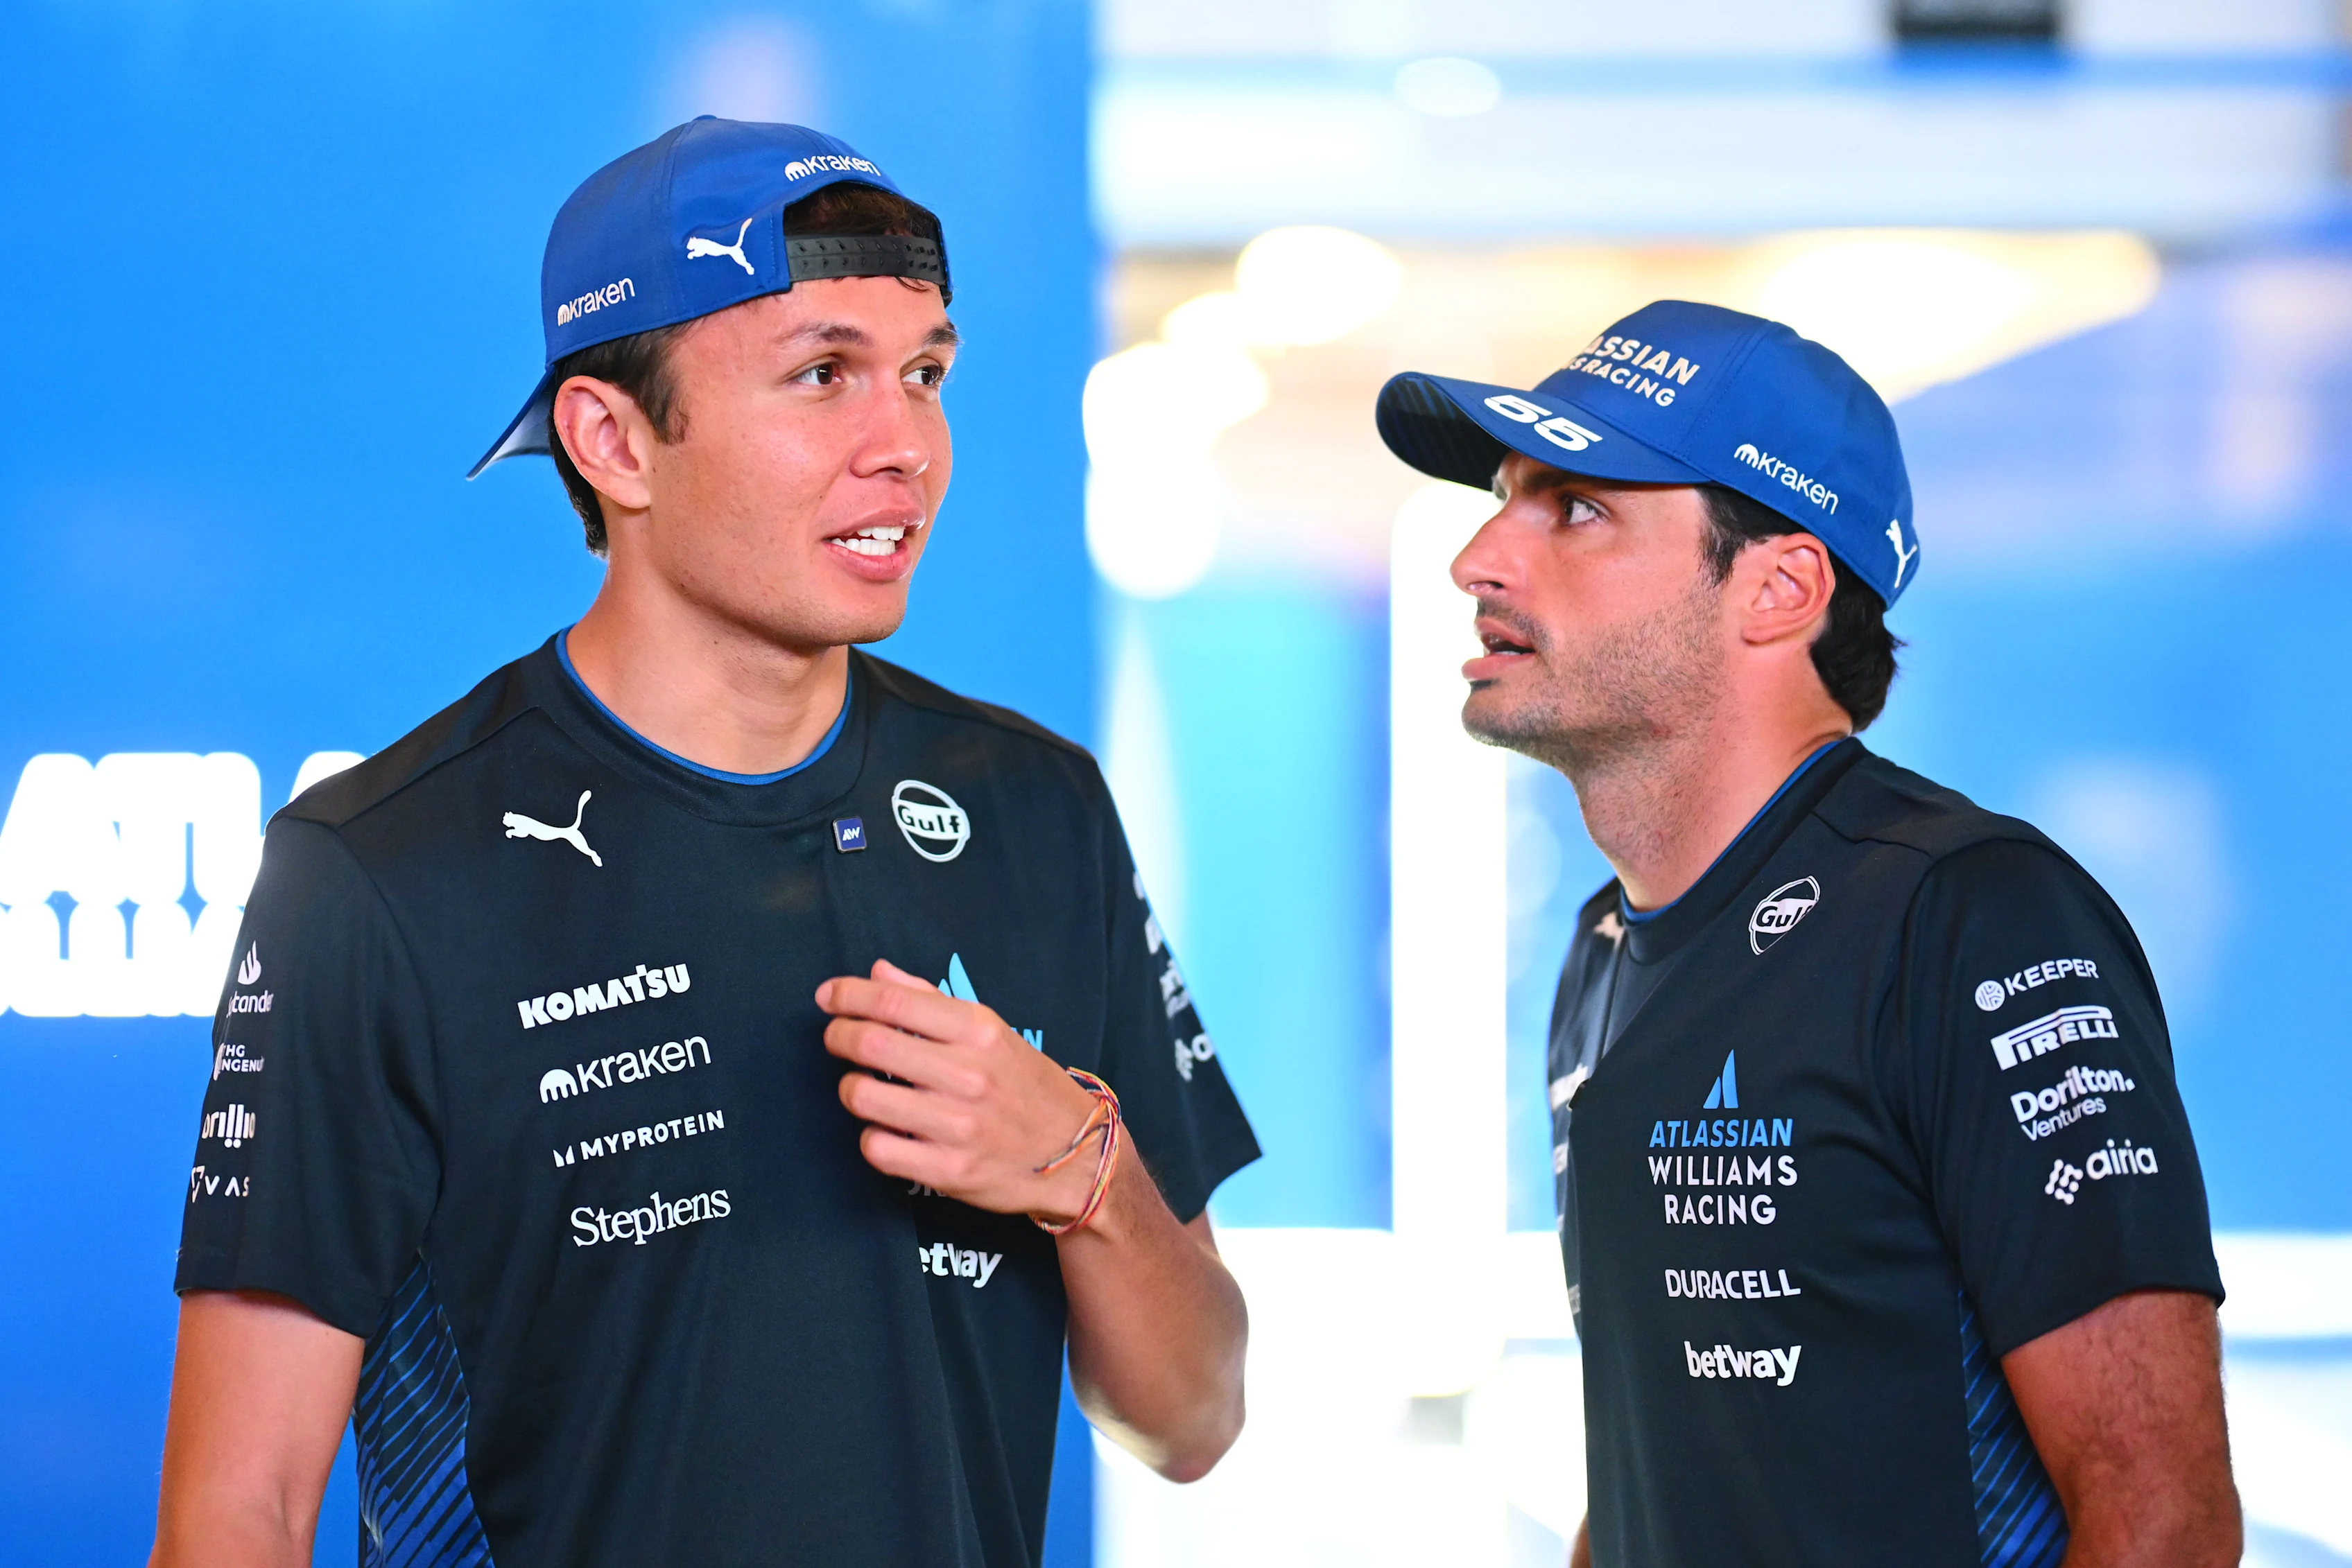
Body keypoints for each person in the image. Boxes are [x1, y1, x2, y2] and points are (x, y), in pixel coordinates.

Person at [153, 117, 1258, 1568]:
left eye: (925, 372)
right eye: (822, 376)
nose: (904, 448)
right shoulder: (375, 870)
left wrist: (1083, 1172)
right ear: (611, 439)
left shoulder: (1037, 807)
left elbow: (1191, 1419)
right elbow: (242, 1509)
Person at [1374, 301, 2238, 1568]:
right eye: (1507, 495)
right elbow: (1658, 1477)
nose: (1480, 558)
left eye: (1578, 507)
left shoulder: (1969, 919)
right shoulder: (1606, 949)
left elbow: (2162, 1525)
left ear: (1779, 586)